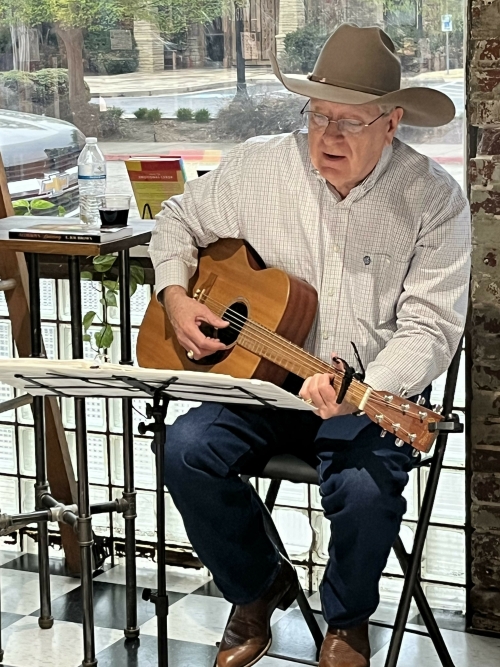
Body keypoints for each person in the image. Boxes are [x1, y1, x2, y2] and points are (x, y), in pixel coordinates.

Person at [149, 24, 471, 667]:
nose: (328, 136)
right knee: (184, 447)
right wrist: (175, 297)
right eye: (319, 115)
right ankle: (258, 587)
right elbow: (178, 221)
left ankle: (347, 620)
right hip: (262, 385)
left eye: (350, 122)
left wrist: (366, 389)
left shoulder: (434, 201)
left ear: (392, 121)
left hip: (369, 396)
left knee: (363, 488)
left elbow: (432, 327)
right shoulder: (260, 165)